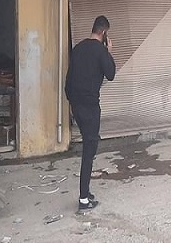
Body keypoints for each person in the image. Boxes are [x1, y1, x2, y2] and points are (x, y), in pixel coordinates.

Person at [65, 15, 116, 211]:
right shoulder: (101, 52)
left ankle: (85, 191)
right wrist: (108, 52)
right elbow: (110, 74)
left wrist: (72, 103)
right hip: (90, 107)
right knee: (89, 150)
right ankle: (84, 199)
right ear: (103, 32)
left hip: (76, 105)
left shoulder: (78, 48)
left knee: (89, 145)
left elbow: (68, 81)